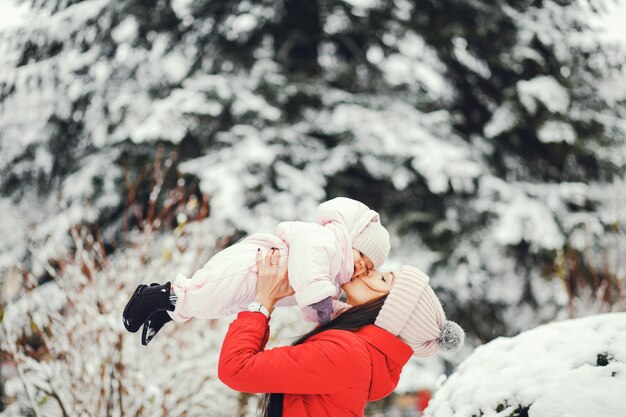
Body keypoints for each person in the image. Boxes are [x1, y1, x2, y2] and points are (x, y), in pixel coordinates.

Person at [218, 249, 465, 417]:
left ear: (391, 311)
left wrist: (264, 301)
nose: (368, 270)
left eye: (382, 279)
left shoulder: (347, 353)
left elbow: (237, 368)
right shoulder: (357, 352)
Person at [122, 197, 391, 345]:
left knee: (212, 306)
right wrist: (323, 304)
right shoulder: (326, 241)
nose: (360, 267)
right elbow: (310, 268)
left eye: (367, 268)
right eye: (362, 257)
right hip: (250, 268)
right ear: (351, 240)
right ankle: (154, 297)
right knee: (206, 294)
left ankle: (167, 312)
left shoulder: (330, 276)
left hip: (256, 285)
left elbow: (312, 304)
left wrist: (336, 311)